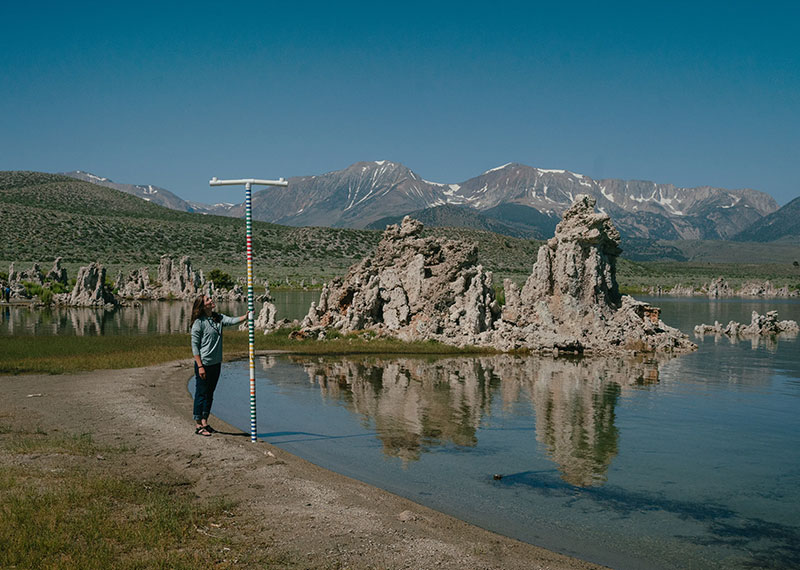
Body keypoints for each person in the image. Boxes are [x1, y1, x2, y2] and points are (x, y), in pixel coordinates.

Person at [190, 294, 248, 436]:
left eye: (210, 299)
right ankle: (198, 425)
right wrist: (200, 366)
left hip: (216, 364)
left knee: (210, 394)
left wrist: (246, 317)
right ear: (203, 306)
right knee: (201, 393)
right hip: (203, 364)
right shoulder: (199, 323)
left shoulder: (218, 318)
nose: (211, 300)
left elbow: (232, 320)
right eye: (208, 300)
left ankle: (205, 421)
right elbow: (195, 347)